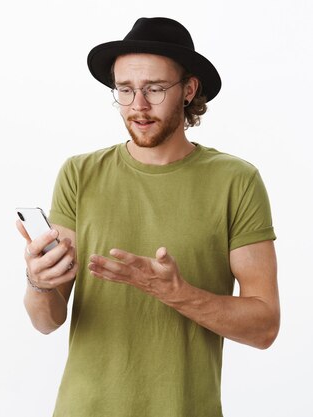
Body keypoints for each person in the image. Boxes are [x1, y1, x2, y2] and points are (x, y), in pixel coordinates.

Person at [16, 17, 279, 417]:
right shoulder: (79, 174)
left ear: (189, 90)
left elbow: (265, 328)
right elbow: (47, 321)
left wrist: (177, 293)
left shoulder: (236, 181)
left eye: (154, 89)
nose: (138, 106)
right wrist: (38, 282)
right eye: (125, 90)